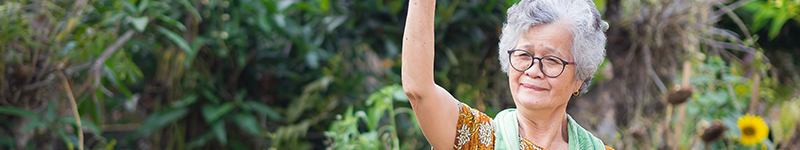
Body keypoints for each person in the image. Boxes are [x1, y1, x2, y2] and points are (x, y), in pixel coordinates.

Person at [401, 0, 612, 149]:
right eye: (523, 55)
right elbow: (419, 90)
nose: (533, 71)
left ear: (579, 78)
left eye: (551, 60)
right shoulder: (476, 138)